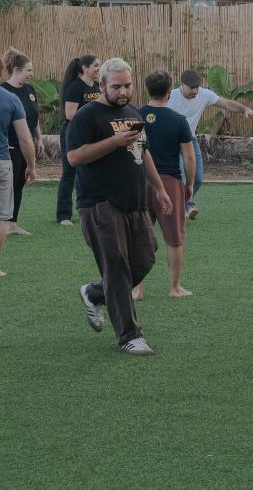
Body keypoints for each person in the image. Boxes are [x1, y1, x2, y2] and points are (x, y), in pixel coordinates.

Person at [71, 58, 173, 356]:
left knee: (145, 259)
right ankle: (130, 335)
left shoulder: (132, 112)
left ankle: (94, 292)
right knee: (116, 268)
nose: (123, 91)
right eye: (116, 87)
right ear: (102, 85)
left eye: (127, 85)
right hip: (100, 203)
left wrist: (159, 189)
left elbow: (143, 151)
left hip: (135, 202)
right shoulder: (87, 116)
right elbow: (74, 157)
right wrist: (113, 142)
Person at [168, 68, 253, 220]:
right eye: (191, 88)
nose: (195, 91)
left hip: (190, 140)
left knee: (197, 179)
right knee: (181, 178)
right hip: (171, 143)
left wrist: (243, 109)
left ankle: (181, 203)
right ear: (182, 85)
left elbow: (226, 103)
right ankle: (187, 204)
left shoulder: (204, 94)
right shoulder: (170, 97)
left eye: (197, 87)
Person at [138, 70, 196, 298]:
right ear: (170, 90)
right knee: (174, 237)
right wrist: (189, 184)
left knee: (139, 236)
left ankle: (137, 288)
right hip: (170, 183)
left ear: (147, 89)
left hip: (140, 181)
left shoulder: (135, 115)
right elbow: (189, 157)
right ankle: (175, 287)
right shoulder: (178, 120)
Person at [2, 48, 44, 236]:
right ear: (17, 70)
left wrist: (39, 138)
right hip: (9, 145)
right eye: (28, 70)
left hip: (25, 145)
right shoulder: (4, 91)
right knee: (7, 185)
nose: (31, 74)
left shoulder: (30, 90)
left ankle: (12, 224)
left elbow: (34, 116)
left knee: (19, 182)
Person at [57, 54, 100, 225]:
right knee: (69, 174)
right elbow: (70, 114)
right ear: (84, 68)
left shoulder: (96, 86)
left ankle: (93, 210)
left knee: (93, 172)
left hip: (91, 134)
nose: (99, 68)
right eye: (96, 65)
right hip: (73, 134)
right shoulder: (75, 87)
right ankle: (64, 215)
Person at [0, 69, 35, 277]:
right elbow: (25, 139)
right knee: (1, 219)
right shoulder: (11, 99)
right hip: (2, 163)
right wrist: (32, 166)